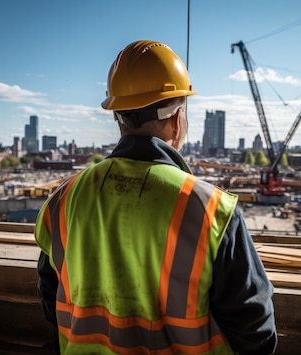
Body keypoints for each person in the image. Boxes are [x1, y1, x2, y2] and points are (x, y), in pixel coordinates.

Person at [35, 39, 277, 354]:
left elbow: (50, 299)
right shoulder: (212, 210)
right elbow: (256, 332)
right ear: (177, 119)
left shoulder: (62, 200)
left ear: (117, 117)